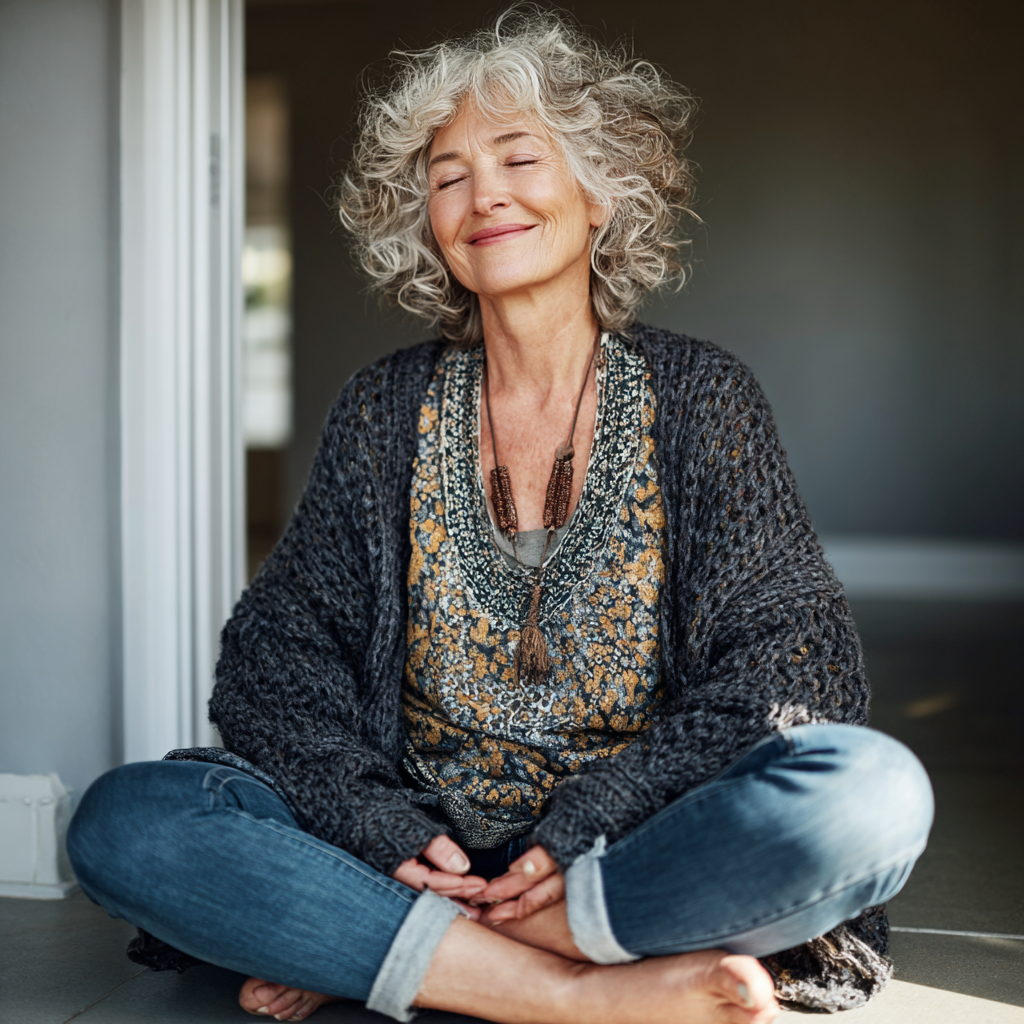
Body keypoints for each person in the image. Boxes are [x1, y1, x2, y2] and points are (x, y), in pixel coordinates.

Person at [67, 9, 934, 1024]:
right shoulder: (383, 412)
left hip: (639, 841)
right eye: (446, 177)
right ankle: (572, 992)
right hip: (414, 846)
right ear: (423, 223)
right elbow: (277, 656)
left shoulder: (702, 397)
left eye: (519, 157)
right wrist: (373, 819)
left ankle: (402, 944)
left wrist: (592, 820)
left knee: (871, 796)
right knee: (127, 819)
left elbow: (790, 668)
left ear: (599, 193)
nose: (484, 197)